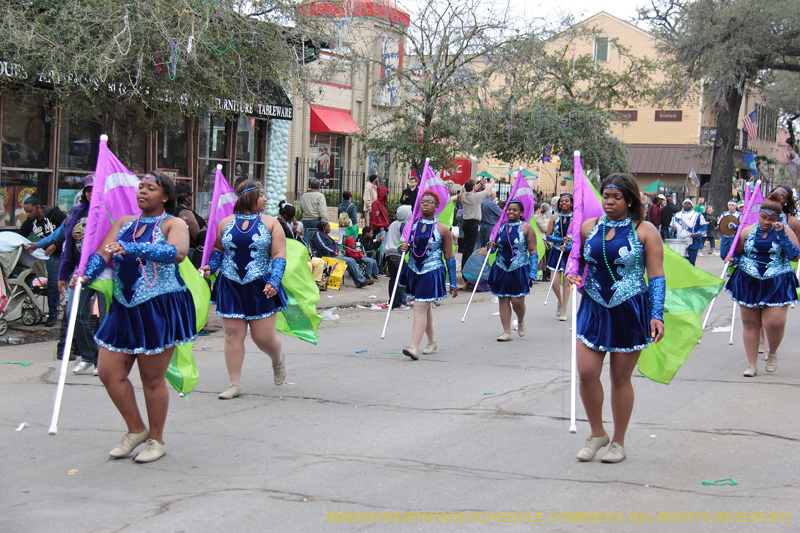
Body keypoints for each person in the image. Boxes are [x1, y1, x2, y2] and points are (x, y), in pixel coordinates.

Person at [71, 172, 196, 463]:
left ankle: (157, 439)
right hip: (123, 307)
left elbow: (177, 253)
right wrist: (84, 275)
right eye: (140, 187)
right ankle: (136, 429)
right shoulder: (124, 223)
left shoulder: (173, 223)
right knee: (108, 373)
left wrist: (133, 247)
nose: (142, 192)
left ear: (165, 196)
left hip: (157, 307)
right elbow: (101, 254)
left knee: (152, 378)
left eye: (150, 188)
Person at [566, 173, 665, 464]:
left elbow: (656, 276)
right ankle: (597, 434)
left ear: (629, 199)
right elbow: (579, 264)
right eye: (606, 196)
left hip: (629, 310)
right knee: (585, 373)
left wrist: (656, 314)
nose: (609, 202)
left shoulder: (645, 231)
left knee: (620, 377)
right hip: (593, 308)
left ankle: (618, 441)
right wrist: (573, 273)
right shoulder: (588, 227)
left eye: (616, 197)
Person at [201, 180, 288, 400]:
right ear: (248, 197)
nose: (265, 199)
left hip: (261, 286)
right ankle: (234, 384)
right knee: (232, 335)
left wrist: (274, 281)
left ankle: (277, 358)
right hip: (230, 285)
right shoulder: (226, 223)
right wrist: (211, 265)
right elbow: (219, 249)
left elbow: (279, 255)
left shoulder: (271, 224)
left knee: (263, 339)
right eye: (261, 195)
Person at [724, 201, 800, 377]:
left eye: (771, 219)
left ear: (778, 218)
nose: (766, 222)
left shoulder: (785, 230)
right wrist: (732, 258)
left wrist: (781, 235)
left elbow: (794, 256)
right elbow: (737, 252)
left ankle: (772, 352)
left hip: (777, 280)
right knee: (750, 323)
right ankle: (751, 364)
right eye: (763, 217)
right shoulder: (747, 231)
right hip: (749, 279)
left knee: (774, 322)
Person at [53, 176, 107, 375]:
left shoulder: (109, 213)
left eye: (95, 189)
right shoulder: (77, 212)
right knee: (73, 313)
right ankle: (88, 355)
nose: (91, 193)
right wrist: (62, 275)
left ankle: (103, 360)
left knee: (104, 316)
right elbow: (69, 247)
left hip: (105, 272)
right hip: (81, 272)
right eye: (88, 190)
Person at [399, 191, 458, 360]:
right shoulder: (411, 226)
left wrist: (453, 282)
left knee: (420, 306)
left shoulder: (442, 229)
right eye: (423, 201)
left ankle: (414, 347)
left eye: (429, 202)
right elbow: (404, 247)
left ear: (436, 207)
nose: (425, 204)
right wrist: (402, 248)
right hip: (414, 270)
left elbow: (450, 257)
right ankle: (432, 341)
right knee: (425, 307)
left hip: (432, 272)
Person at [487, 200, 537, 341]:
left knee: (517, 301)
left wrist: (532, 271)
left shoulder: (527, 228)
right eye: (509, 209)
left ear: (521, 213)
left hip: (519, 268)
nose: (511, 212)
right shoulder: (499, 228)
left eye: (515, 210)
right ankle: (507, 332)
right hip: (501, 267)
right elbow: (492, 250)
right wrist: (490, 246)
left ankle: (520, 320)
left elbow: (533, 250)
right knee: (503, 299)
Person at [21, 196, 67, 327]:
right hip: (49, 253)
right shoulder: (31, 221)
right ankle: (52, 314)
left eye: (30, 211)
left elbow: (69, 229)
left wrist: (56, 245)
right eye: (26, 212)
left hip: (65, 250)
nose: (28, 214)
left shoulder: (55, 214)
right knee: (52, 282)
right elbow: (21, 233)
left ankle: (60, 313)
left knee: (60, 282)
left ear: (38, 207)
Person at [312, 221, 374, 288]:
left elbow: (334, 245)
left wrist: (339, 251)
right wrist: (334, 252)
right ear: (323, 228)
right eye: (328, 227)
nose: (330, 229)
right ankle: (361, 281)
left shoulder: (326, 235)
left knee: (351, 260)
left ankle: (360, 282)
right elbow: (323, 246)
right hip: (327, 256)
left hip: (333, 255)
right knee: (349, 261)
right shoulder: (318, 235)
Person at [453, 178, 494, 274]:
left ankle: (464, 267)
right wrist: (492, 182)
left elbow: (471, 190)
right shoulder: (476, 197)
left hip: (466, 223)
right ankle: (466, 268)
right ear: (472, 187)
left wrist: (481, 183)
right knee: (470, 247)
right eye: (475, 185)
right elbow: (487, 190)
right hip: (473, 224)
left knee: (467, 245)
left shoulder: (463, 196)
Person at [546, 193, 574, 320]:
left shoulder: (576, 218)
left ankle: (564, 311)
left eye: (567, 201)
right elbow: (548, 236)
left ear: (571, 203)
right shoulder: (554, 217)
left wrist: (568, 246)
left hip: (569, 253)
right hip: (556, 252)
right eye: (562, 201)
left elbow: (579, 237)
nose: (564, 203)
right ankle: (560, 301)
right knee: (554, 282)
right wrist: (560, 240)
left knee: (567, 282)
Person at [385, 205, 411, 309]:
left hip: (389, 253)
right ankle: (399, 302)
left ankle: (392, 301)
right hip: (398, 254)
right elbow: (405, 240)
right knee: (400, 279)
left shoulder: (393, 224)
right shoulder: (404, 225)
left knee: (393, 279)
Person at [670, 199, 707, 265]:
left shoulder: (698, 215)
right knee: (680, 263)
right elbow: (670, 226)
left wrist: (697, 234)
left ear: (692, 206)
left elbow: (703, 228)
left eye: (689, 203)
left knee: (691, 263)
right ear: (682, 205)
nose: (687, 205)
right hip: (679, 243)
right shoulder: (676, 215)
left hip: (692, 243)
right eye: (685, 203)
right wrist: (672, 229)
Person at [173, 182, 207, 248]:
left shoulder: (174, 210)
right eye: (191, 196)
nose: (191, 199)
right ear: (186, 198)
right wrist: (207, 224)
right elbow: (198, 237)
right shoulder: (186, 213)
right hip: (190, 251)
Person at [299, 179, 327, 246]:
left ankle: (307, 252)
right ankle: (315, 253)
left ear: (310, 185)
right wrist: (325, 220)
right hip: (316, 220)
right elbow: (322, 210)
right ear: (318, 187)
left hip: (306, 219)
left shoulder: (303, 196)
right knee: (317, 238)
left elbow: (301, 208)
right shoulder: (320, 196)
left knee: (306, 238)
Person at [534, 202, 552, 282]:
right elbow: (544, 229)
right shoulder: (537, 217)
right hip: (540, 239)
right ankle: (544, 276)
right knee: (543, 258)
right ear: (538, 209)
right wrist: (546, 223)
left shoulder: (531, 217)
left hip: (534, 239)